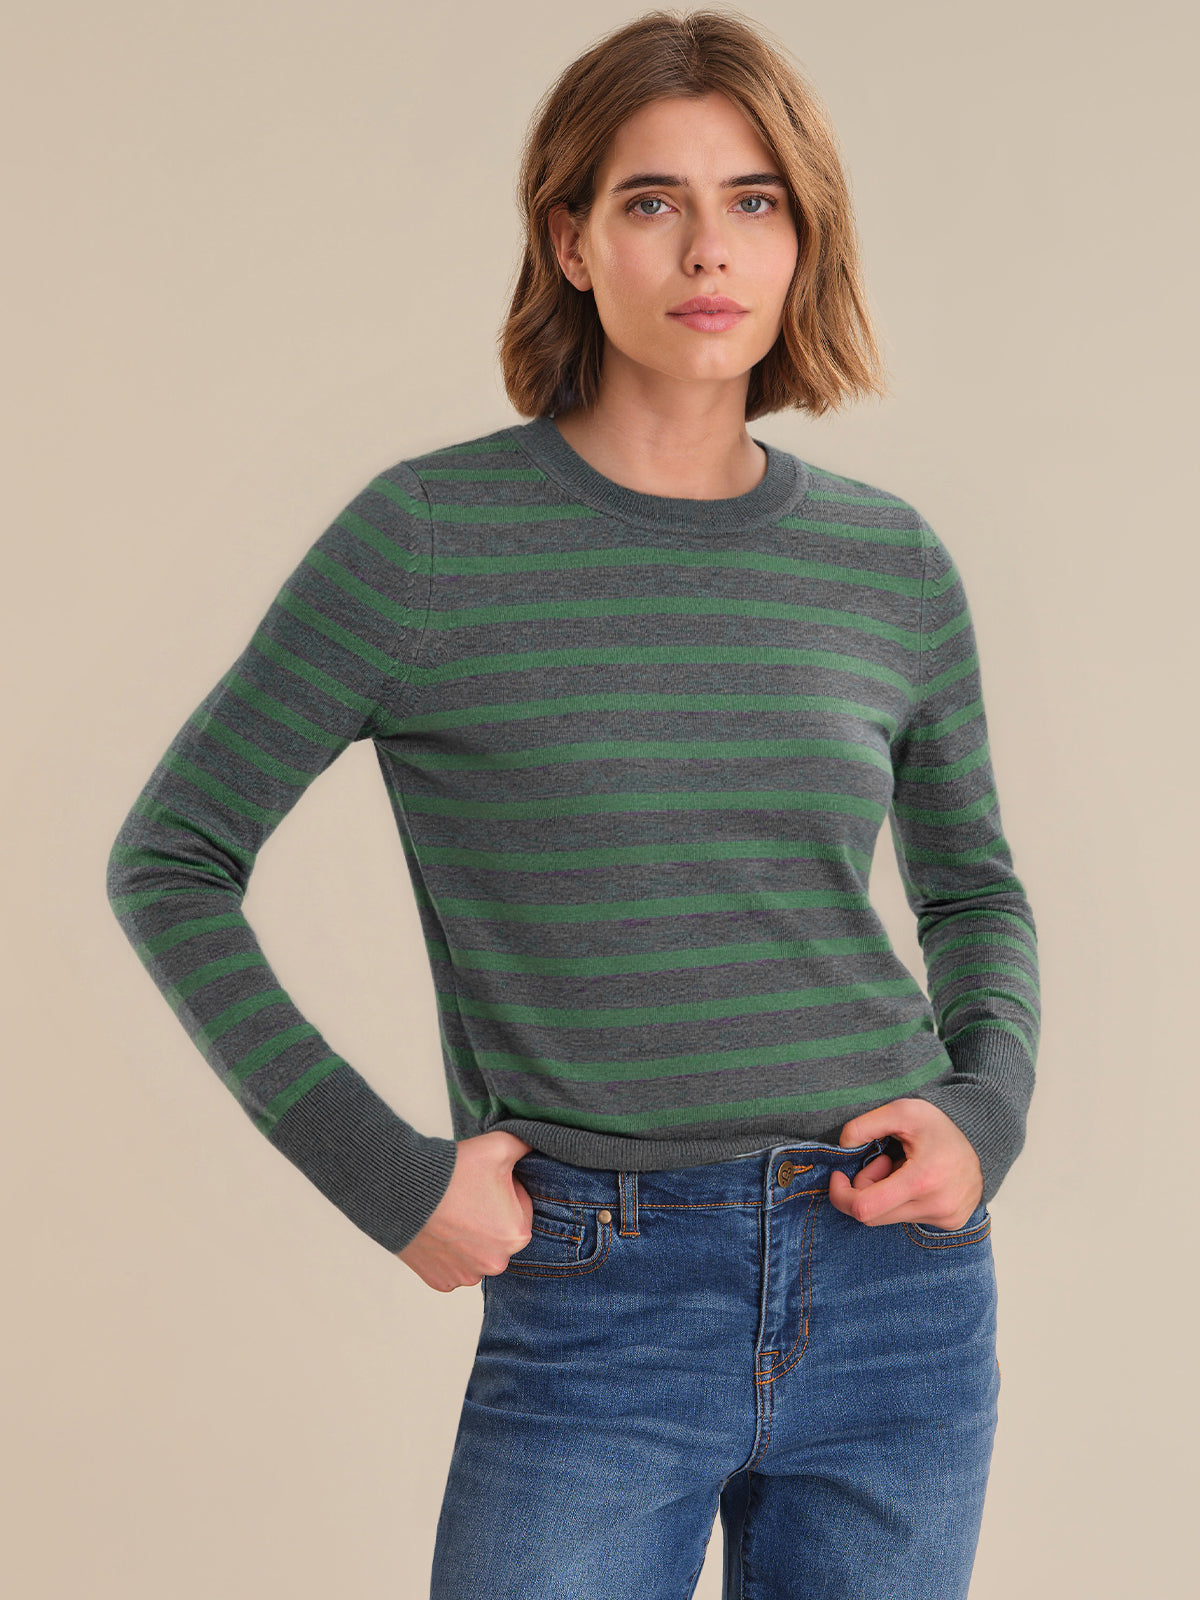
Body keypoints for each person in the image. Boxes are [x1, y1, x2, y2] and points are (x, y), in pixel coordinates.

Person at [106, 9, 1040, 1598]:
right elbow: (172, 861)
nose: (708, 248)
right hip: (600, 1293)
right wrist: (385, 1175)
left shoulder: (887, 561)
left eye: (755, 201)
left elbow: (972, 895)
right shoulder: (426, 541)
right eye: (651, 199)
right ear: (570, 238)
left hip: (899, 1289)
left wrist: (987, 1109)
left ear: (803, 239)